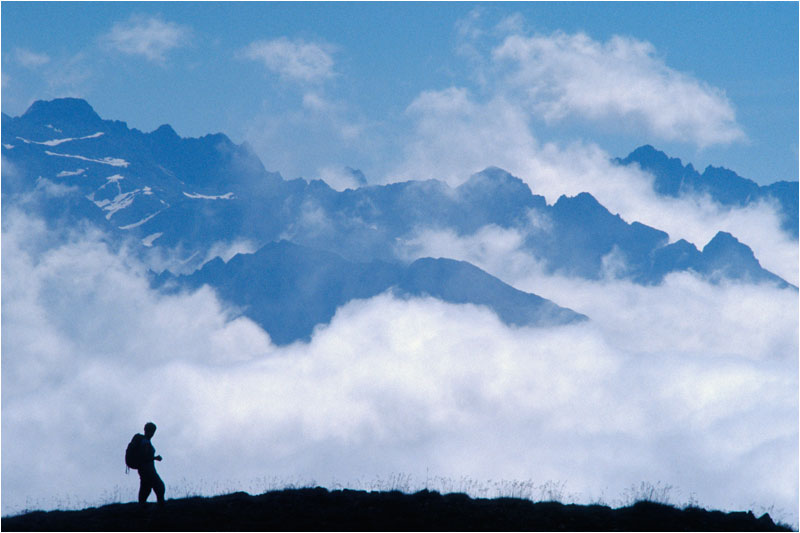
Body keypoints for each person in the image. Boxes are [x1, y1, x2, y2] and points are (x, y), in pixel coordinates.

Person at [137, 422, 166, 506]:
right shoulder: (145, 442)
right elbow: (144, 457)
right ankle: (161, 507)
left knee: (146, 488)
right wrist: (155, 458)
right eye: (151, 431)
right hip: (147, 470)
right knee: (159, 486)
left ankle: (141, 507)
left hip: (144, 470)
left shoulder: (144, 441)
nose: (152, 433)